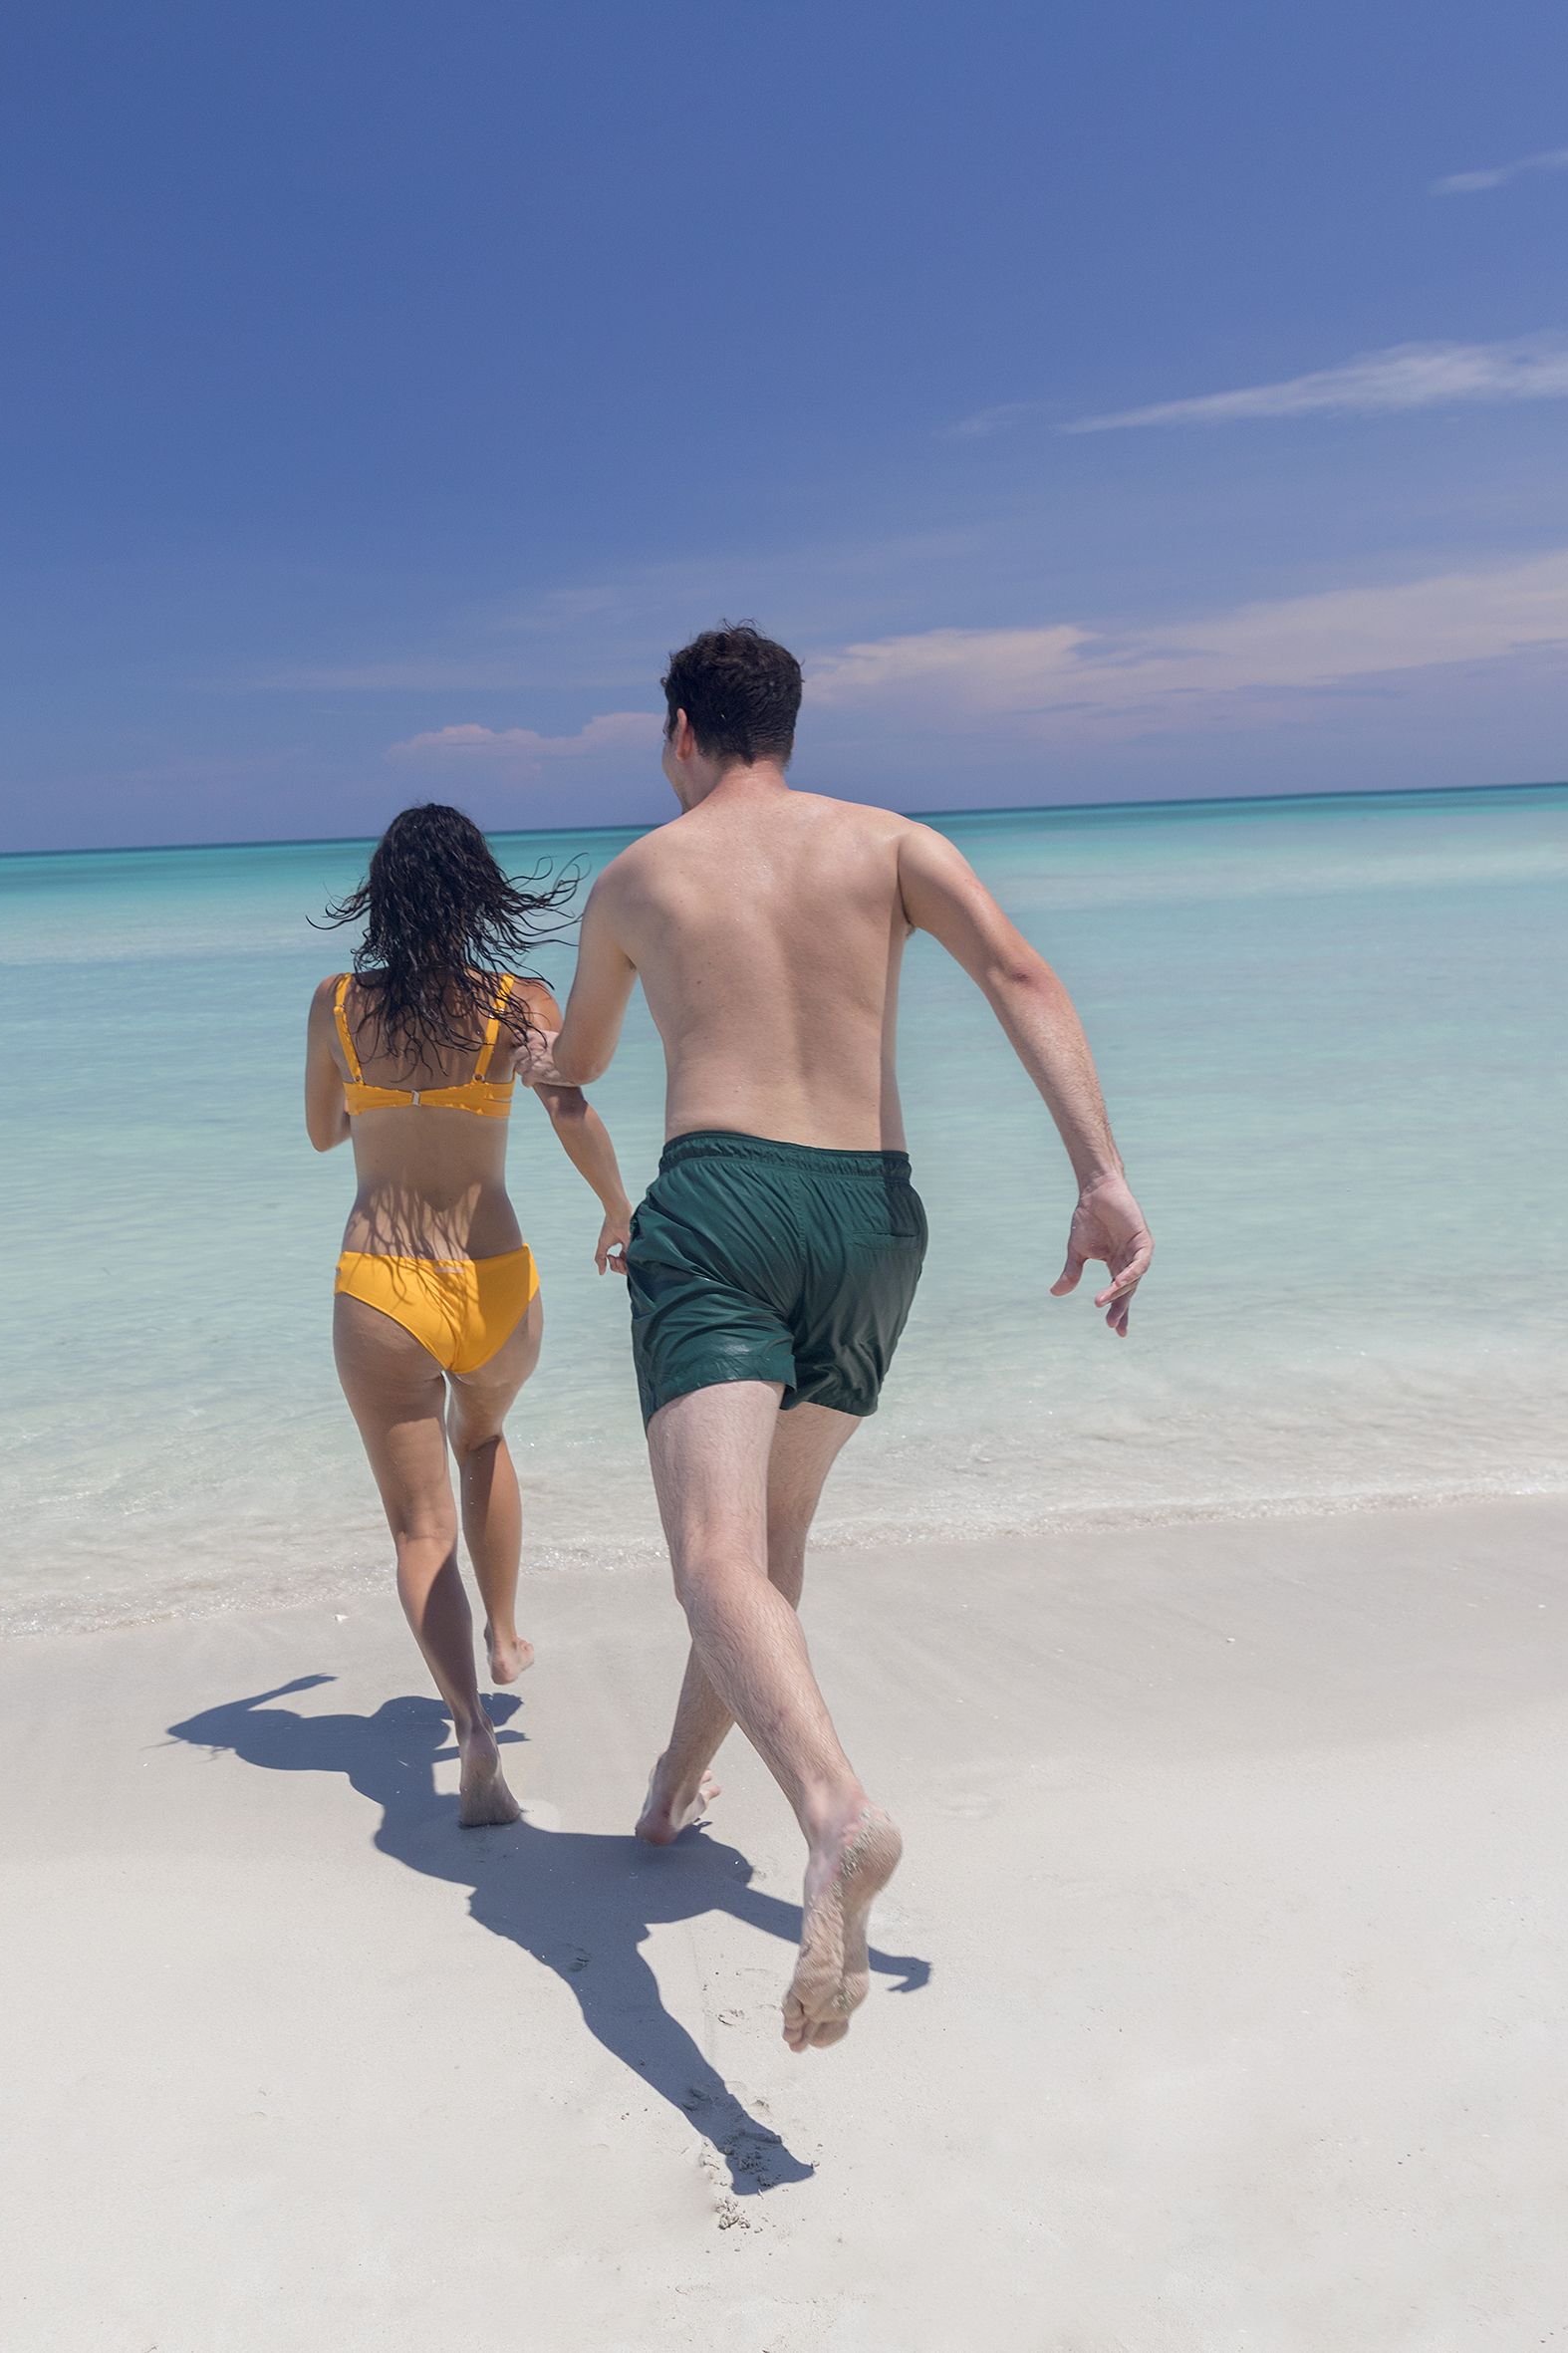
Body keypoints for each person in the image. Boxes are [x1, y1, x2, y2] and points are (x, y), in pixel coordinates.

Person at [518, 625, 1155, 2052]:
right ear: (784, 730)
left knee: (708, 1555)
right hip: (871, 1218)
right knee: (762, 1550)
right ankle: (675, 1786)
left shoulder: (637, 876)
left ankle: (831, 1807)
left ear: (680, 730)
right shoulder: (892, 843)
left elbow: (592, 1063)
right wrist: (1098, 1176)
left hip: (724, 1202)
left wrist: (542, 1058)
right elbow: (1020, 975)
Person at [308, 805, 635, 1828]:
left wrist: (384, 1096)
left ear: (385, 896)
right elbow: (572, 1107)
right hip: (494, 1278)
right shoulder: (515, 1000)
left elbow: (324, 1134)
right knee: (484, 1438)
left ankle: (473, 1730)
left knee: (418, 1528)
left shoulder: (337, 1003)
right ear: (476, 892)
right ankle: (502, 1632)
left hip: (381, 1286)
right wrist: (620, 1211)